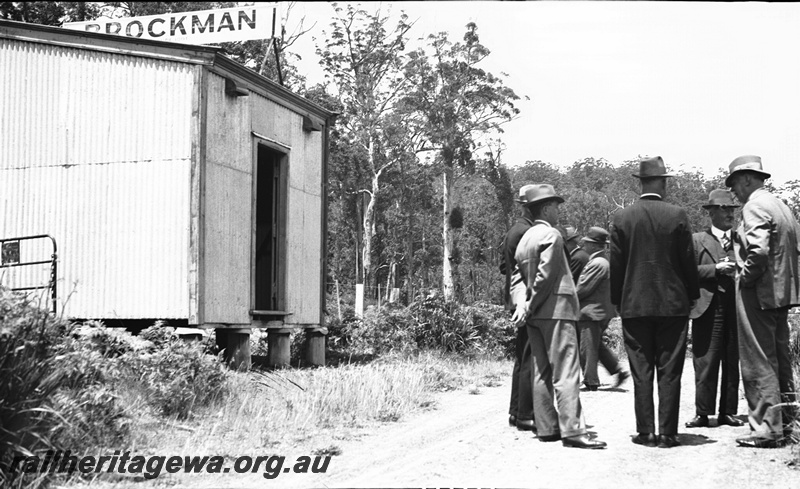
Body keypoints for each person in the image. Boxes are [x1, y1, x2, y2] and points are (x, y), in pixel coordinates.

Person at [609, 156, 700, 449]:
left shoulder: (623, 218)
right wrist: (693, 295)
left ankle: (646, 431)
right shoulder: (677, 215)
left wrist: (616, 300)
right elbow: (688, 260)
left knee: (641, 370)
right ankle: (668, 434)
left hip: (634, 305)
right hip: (673, 305)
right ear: (662, 183)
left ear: (640, 183)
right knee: (670, 370)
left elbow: (616, 265)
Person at [512, 184, 607, 449]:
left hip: (535, 316)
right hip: (556, 310)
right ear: (545, 209)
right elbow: (545, 276)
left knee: (541, 371)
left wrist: (522, 305)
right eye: (555, 206)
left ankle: (547, 427)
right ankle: (573, 431)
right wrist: (530, 303)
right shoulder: (551, 235)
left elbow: (517, 279)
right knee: (566, 371)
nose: (558, 211)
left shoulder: (525, 239)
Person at [725, 155, 800, 448]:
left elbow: (758, 251)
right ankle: (788, 422)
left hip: (758, 292)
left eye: (733, 183)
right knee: (780, 358)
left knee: (758, 360)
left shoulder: (754, 206)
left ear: (746, 178)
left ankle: (767, 429)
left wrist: (744, 277)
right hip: (781, 293)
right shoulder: (780, 205)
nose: (733, 191)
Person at [686, 189, 743, 429]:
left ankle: (727, 412)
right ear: (711, 213)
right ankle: (703, 413)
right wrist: (715, 270)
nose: (730, 214)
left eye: (732, 209)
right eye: (724, 209)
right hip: (707, 307)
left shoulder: (742, 239)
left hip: (737, 307)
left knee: (732, 360)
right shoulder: (697, 240)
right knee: (705, 360)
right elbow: (686, 272)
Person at [500, 184, 536, 432]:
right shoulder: (526, 232)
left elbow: (504, 267)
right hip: (525, 298)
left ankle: (516, 412)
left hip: (516, 297)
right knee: (528, 357)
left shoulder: (515, 230)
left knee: (523, 356)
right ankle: (524, 414)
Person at [575, 226, 630, 391]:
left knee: (587, 347)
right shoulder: (601, 261)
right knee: (595, 345)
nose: (584, 245)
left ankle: (591, 380)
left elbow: (583, 288)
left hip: (592, 312)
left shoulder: (597, 263)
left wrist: (567, 296)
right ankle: (617, 370)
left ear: (593, 245)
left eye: (587, 243)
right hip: (598, 311)